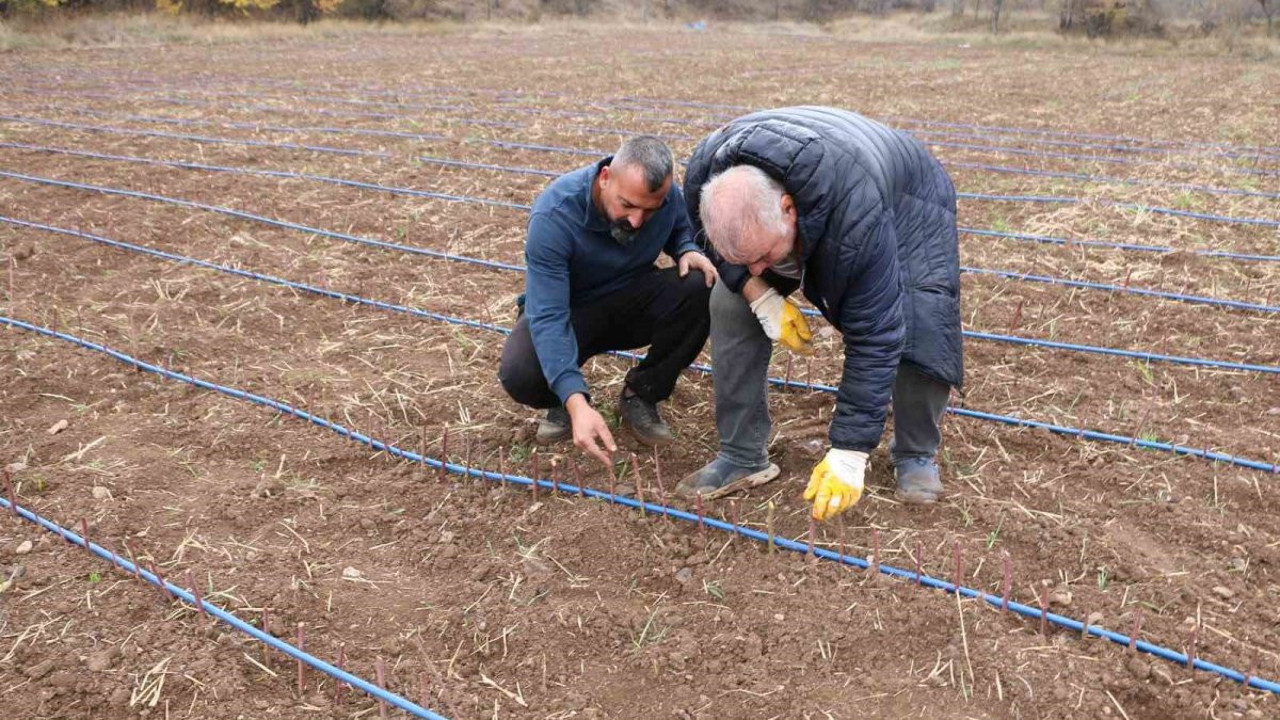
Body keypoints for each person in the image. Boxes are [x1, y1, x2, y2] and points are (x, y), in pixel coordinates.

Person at [676, 107, 963, 519]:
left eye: (764, 257)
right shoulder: (705, 178)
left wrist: (849, 452)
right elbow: (728, 257)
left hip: (906, 198)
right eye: (746, 260)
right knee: (730, 300)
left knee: (920, 315)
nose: (757, 269)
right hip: (824, 179)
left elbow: (876, 334)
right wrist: (758, 295)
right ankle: (742, 454)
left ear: (788, 209)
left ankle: (915, 453)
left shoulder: (855, 214)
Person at [498, 135, 719, 468]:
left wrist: (686, 248)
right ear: (605, 178)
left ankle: (641, 394)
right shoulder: (555, 216)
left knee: (701, 282)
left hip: (629, 300)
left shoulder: (666, 198)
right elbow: (549, 316)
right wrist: (576, 402)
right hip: (570, 312)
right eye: (627, 205)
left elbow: (678, 227)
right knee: (521, 373)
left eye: (649, 210)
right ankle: (561, 398)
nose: (636, 220)